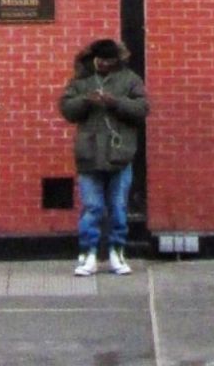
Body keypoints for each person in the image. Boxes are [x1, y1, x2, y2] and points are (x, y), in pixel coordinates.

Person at [59, 36, 146, 276]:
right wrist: (86, 101)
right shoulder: (81, 80)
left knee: (118, 206)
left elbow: (142, 108)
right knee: (93, 207)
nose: (105, 66)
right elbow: (66, 109)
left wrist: (115, 102)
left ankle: (117, 251)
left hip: (120, 154)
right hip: (89, 154)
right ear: (94, 58)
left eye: (110, 62)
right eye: (102, 61)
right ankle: (88, 253)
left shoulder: (130, 80)